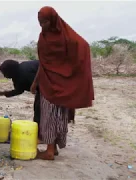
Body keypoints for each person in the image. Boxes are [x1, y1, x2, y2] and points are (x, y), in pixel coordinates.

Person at [30, 6, 94, 160]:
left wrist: (72, 71)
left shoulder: (67, 37)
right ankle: (54, 148)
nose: (42, 25)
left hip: (62, 83)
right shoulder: (43, 37)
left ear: (52, 20)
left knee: (54, 115)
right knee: (52, 114)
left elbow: (83, 45)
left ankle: (50, 151)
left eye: (45, 22)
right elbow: (43, 63)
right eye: (40, 22)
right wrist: (35, 82)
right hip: (48, 82)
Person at [0, 59, 75, 155]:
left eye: (5, 73)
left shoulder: (24, 73)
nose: (5, 76)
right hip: (46, 91)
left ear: (11, 70)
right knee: (39, 113)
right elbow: (19, 90)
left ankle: (45, 142)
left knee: (46, 116)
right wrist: (2, 93)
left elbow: (41, 86)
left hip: (52, 91)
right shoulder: (18, 73)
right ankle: (48, 143)